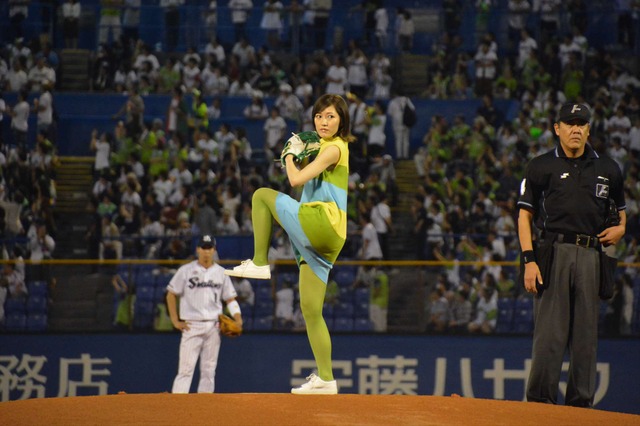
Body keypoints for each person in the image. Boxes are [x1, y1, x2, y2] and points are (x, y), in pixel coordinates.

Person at [225, 94, 354, 394]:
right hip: (327, 238)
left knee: (260, 195)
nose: (323, 121)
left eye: (331, 116)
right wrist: (301, 152)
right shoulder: (325, 146)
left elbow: (294, 181)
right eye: (320, 115)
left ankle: (259, 262)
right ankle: (326, 378)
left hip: (323, 223)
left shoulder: (334, 148)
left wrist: (288, 157)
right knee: (310, 309)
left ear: (342, 121)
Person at [517, 102, 627, 407]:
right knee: (550, 336)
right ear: (557, 128)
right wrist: (529, 260)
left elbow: (621, 213)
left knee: (585, 338)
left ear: (589, 129)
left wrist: (620, 229)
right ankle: (541, 403)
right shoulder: (540, 165)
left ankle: (581, 407)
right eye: (569, 123)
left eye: (581, 124)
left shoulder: (608, 168)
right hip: (553, 251)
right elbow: (524, 217)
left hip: (592, 253)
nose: (576, 129)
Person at [166, 235, 243, 393]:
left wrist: (238, 318)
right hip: (191, 325)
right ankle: (176, 408)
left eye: (209, 248)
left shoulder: (221, 273)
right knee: (185, 371)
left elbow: (230, 299)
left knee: (209, 371)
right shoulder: (186, 270)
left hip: (213, 326)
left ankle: (204, 409)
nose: (206, 251)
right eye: (203, 248)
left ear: (214, 250)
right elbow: (171, 294)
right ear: (197, 249)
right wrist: (175, 320)